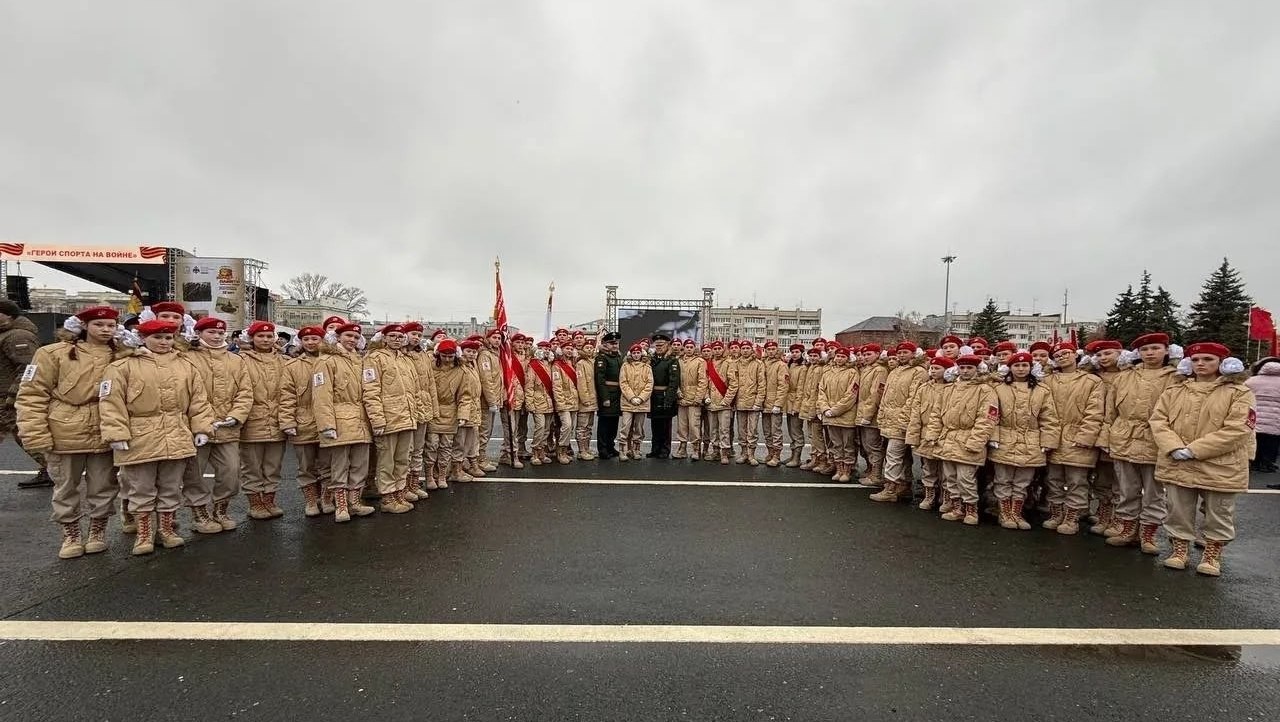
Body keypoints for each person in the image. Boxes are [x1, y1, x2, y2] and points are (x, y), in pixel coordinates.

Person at [16, 307, 131, 558]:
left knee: (104, 484)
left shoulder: (122, 355)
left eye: (110, 325)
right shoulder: (51, 353)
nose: (105, 330)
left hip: (106, 427)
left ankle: (97, 530)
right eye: (99, 324)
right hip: (64, 427)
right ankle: (71, 533)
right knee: (65, 486)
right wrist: (36, 433)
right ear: (84, 326)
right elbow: (32, 395)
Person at [99, 319, 215, 555]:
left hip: (177, 432)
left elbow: (199, 401)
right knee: (141, 487)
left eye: (168, 338)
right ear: (143, 338)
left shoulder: (186, 365)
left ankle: (166, 530)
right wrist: (116, 432)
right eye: (158, 338)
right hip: (139, 435)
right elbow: (111, 402)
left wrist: (202, 427)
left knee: (171, 486)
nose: (164, 342)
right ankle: (143, 534)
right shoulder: (121, 366)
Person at [1150, 342, 1255, 576]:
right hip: (1178, 461)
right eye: (1196, 360)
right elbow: (1158, 421)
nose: (1201, 364)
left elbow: (1239, 429)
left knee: (1219, 511)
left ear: (1223, 364)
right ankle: (1179, 550)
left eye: (1208, 359)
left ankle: (1212, 553)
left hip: (1220, 464)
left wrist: (1196, 449)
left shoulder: (1239, 393)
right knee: (1177, 508)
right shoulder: (1173, 391)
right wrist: (1174, 446)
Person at [1102, 333, 1180, 552]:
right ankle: (1127, 529)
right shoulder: (1124, 377)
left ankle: (1148, 534)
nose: (1150, 353)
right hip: (1124, 437)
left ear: (1166, 351)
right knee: (1127, 488)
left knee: (1154, 492)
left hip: (1156, 439)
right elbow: (1110, 412)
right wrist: (1108, 436)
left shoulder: (1175, 378)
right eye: (1145, 350)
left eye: (1155, 348)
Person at [180, 317, 254, 533]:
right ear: (199, 333)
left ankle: (221, 509)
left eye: (220, 333)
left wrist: (236, 415)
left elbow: (245, 392)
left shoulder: (236, 360)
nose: (216, 336)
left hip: (226, 427)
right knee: (194, 473)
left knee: (231, 472)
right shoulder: (188, 358)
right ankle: (199, 513)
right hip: (195, 427)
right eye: (211, 332)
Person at [989, 352, 1060, 530]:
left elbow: (1049, 417)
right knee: (1003, 479)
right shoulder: (998, 389)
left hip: (1031, 441)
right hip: (1005, 439)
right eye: (1017, 366)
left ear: (1030, 368)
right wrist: (994, 436)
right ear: (1010, 368)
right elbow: (991, 415)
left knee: (1023, 481)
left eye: (1025, 366)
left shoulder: (1042, 391)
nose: (1021, 369)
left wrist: (1048, 441)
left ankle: (1017, 513)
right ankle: (1005, 513)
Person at [312, 323, 375, 522]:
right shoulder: (326, 361)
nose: (352, 340)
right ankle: (341, 507)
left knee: (360, 465)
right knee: (339, 466)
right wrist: (326, 425)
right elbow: (321, 396)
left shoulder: (360, 361)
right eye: (348, 336)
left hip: (360, 420)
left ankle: (354, 503)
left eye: (356, 338)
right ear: (337, 337)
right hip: (339, 420)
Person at [1041, 342, 1105, 535]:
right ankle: (1056, 512)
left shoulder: (1092, 381)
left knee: (1077, 480)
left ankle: (1072, 516)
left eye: (1066, 353)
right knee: (1053, 479)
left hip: (1077, 436)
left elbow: (1095, 412)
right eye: (1058, 355)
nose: (1062, 357)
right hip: (1053, 435)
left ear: (1075, 355)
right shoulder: (1047, 381)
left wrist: (1086, 436)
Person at [927, 354, 999, 525]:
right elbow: (936, 414)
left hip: (968, 439)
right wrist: (933, 434)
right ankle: (957, 507)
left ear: (977, 370)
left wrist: (976, 441)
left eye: (969, 368)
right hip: (948, 438)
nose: (965, 371)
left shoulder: (985, 390)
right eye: (962, 368)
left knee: (965, 478)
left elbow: (987, 418)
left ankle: (971, 510)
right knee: (950, 478)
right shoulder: (949, 389)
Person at [363, 324, 420, 513]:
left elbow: (414, 391)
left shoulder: (405, 359)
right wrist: (377, 419)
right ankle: (387, 499)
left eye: (399, 336)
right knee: (387, 461)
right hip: (388, 419)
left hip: (407, 417)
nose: (396, 339)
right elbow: (371, 391)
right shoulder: (374, 359)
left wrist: (415, 413)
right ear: (384, 338)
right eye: (392, 336)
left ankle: (399, 494)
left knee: (403, 459)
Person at [239, 321, 288, 520]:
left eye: (269, 336)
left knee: (273, 466)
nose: (265, 340)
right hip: (252, 420)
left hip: (277, 419)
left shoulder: (284, 361)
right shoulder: (241, 360)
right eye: (260, 336)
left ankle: (269, 499)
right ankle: (255, 503)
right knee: (252, 466)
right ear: (252, 338)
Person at [280, 326, 332, 516]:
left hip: (327, 421)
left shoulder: (330, 362)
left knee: (328, 464)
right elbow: (286, 396)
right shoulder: (292, 366)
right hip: (303, 422)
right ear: (301, 342)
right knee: (306, 466)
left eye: (315, 339)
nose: (311, 342)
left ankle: (326, 498)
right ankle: (311, 501)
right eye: (307, 339)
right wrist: (287, 422)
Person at [1, 298, 51, 489]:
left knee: (24, 434)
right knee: (22, 434)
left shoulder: (18, 336)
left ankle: (52, 468)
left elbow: (28, 368)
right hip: (5, 393)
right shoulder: (7, 333)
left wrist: (14, 394)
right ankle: (51, 468)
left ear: (8, 315)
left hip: (7, 396)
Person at [871, 342, 927, 503]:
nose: (902, 355)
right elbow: (886, 396)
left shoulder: (918, 372)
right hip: (889, 419)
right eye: (900, 352)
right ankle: (904, 484)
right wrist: (882, 415)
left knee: (893, 455)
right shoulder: (894, 372)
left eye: (905, 352)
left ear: (913, 353)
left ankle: (890, 487)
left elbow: (914, 398)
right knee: (904, 456)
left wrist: (903, 418)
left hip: (903, 420)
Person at [1084, 339, 1125, 536]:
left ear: (1120, 353)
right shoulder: (1092, 377)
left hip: (1119, 432)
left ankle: (1120, 519)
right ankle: (1103, 514)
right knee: (1102, 478)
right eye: (1099, 355)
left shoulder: (1127, 376)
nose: (1103, 358)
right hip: (1095, 430)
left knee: (1121, 481)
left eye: (1108, 353)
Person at [906, 355, 954, 510]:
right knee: (928, 468)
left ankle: (946, 497)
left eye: (937, 368)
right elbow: (915, 413)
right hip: (925, 433)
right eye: (931, 368)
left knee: (947, 470)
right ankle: (929, 495)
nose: (933, 371)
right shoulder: (924, 388)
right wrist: (913, 436)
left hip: (944, 434)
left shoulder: (952, 388)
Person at [425, 339, 474, 487]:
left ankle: (442, 475)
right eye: (444, 356)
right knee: (432, 445)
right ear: (438, 354)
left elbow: (465, 395)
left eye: (450, 356)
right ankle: (429, 476)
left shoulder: (461, 371)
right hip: (433, 410)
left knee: (446, 445)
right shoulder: (429, 368)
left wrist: (463, 415)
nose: (447, 359)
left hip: (451, 412)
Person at [403, 322, 439, 498]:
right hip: (406, 407)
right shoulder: (400, 355)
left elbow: (431, 383)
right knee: (406, 450)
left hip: (423, 406)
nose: (416, 337)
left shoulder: (423, 356)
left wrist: (434, 408)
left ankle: (414, 484)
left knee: (418, 448)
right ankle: (402, 487)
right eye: (413, 333)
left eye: (419, 334)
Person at [817, 345, 859, 483]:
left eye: (843, 356)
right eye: (838, 356)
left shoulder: (852, 372)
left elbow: (851, 394)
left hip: (845, 415)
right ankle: (838, 468)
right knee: (836, 444)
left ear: (847, 358)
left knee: (848, 444)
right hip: (829, 415)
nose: (840, 359)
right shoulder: (828, 372)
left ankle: (847, 470)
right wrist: (825, 409)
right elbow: (821, 391)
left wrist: (835, 410)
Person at [855, 344, 890, 486]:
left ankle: (876, 475)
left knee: (873, 445)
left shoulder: (880, 370)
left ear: (877, 354)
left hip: (871, 415)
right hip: (862, 411)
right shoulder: (867, 369)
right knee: (866, 445)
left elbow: (875, 394)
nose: (865, 357)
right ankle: (871, 471)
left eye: (869, 354)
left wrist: (868, 415)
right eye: (864, 355)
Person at [616, 343, 654, 460]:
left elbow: (649, 384)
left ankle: (636, 449)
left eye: (638, 353)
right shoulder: (625, 366)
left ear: (641, 354)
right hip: (628, 402)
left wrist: (641, 397)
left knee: (639, 427)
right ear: (630, 354)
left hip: (642, 402)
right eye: (634, 353)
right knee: (625, 426)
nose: (636, 355)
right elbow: (623, 383)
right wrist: (632, 397)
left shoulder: (647, 367)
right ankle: (623, 450)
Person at [476, 329, 507, 473]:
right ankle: (479, 460)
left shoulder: (496, 355)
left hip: (494, 399)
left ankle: (480, 458)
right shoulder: (485, 355)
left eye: (499, 338)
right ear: (487, 339)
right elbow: (486, 379)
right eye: (494, 337)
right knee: (483, 431)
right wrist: (492, 401)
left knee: (487, 432)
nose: (497, 340)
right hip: (486, 401)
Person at [705, 341, 739, 465]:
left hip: (724, 403)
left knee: (724, 429)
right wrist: (706, 397)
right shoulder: (709, 364)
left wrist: (727, 400)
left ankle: (724, 452)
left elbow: (733, 384)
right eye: (715, 348)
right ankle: (715, 451)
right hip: (711, 403)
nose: (717, 351)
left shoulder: (729, 363)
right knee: (713, 430)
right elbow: (705, 384)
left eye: (719, 348)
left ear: (723, 350)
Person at [1245, 356, 1279, 480]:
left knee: (1255, 437)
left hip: (1254, 414)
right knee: (1272, 440)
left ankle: (1254, 460)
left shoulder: (1251, 381)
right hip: (1276, 417)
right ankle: (1267, 463)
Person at [648, 334, 681, 459]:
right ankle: (655, 448)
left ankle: (665, 449)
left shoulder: (672, 361)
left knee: (665, 426)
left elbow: (674, 382)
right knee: (655, 424)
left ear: (667, 345)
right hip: (654, 395)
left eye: (661, 345)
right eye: (657, 345)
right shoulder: (652, 359)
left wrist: (669, 399)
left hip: (665, 394)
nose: (659, 347)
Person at [732, 340, 765, 465]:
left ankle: (751, 454)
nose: (745, 350)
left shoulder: (758, 364)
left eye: (747, 348)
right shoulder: (736, 364)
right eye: (743, 348)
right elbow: (733, 384)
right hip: (740, 402)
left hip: (753, 402)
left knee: (752, 430)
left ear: (751, 349)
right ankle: (743, 453)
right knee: (742, 430)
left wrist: (758, 401)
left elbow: (762, 384)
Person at [524, 341, 557, 465]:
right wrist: (529, 403)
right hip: (537, 401)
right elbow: (529, 386)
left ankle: (542, 451)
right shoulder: (533, 365)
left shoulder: (550, 365)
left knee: (547, 429)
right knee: (540, 427)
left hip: (549, 401)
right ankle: (535, 451)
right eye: (543, 348)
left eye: (548, 348)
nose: (546, 351)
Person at [675, 338, 708, 461]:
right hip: (682, 398)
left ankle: (695, 449)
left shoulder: (700, 361)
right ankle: (682, 448)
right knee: (682, 426)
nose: (689, 349)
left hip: (694, 399)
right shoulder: (679, 361)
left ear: (694, 349)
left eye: (691, 347)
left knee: (694, 425)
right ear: (684, 348)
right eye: (687, 347)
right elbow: (675, 378)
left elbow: (702, 381)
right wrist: (678, 392)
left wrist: (698, 398)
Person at [799, 346, 830, 474]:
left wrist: (816, 408)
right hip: (808, 404)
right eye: (810, 356)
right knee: (812, 435)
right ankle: (814, 458)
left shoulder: (820, 369)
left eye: (815, 356)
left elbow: (817, 391)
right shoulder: (810, 368)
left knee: (817, 436)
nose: (812, 358)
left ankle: (821, 460)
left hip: (815, 406)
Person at [760, 341, 790, 468]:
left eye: (773, 349)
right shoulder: (763, 364)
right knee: (766, 431)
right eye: (768, 349)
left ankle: (776, 455)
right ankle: (770, 452)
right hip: (764, 402)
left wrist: (778, 404)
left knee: (775, 431)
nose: (771, 351)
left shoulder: (781, 365)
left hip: (774, 403)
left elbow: (783, 386)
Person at [594, 332, 624, 459]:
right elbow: (600, 379)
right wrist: (605, 397)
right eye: (612, 343)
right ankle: (603, 449)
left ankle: (611, 446)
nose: (615, 345)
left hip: (617, 394)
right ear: (605, 344)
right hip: (607, 394)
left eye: (616, 343)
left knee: (614, 422)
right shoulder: (602, 358)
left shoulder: (618, 357)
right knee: (604, 423)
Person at [551, 345, 580, 464]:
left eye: (570, 348)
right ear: (561, 350)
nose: (569, 350)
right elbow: (556, 386)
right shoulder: (557, 365)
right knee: (566, 425)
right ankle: (560, 450)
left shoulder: (574, 363)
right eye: (566, 348)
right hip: (563, 401)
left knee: (571, 427)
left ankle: (565, 449)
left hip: (574, 400)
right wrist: (560, 403)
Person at [783, 343, 808, 468]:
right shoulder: (790, 365)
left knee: (796, 430)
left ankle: (797, 457)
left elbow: (801, 388)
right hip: (788, 401)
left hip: (795, 402)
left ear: (802, 353)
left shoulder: (803, 368)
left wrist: (796, 406)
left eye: (797, 352)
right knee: (791, 430)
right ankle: (793, 455)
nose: (794, 354)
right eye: (792, 352)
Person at [574, 337, 597, 460]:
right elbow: (581, 382)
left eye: (591, 348)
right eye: (587, 347)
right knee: (582, 426)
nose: (589, 349)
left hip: (593, 400)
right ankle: (581, 450)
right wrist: (585, 399)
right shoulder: (580, 363)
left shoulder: (593, 362)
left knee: (589, 426)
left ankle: (587, 448)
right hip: (585, 401)